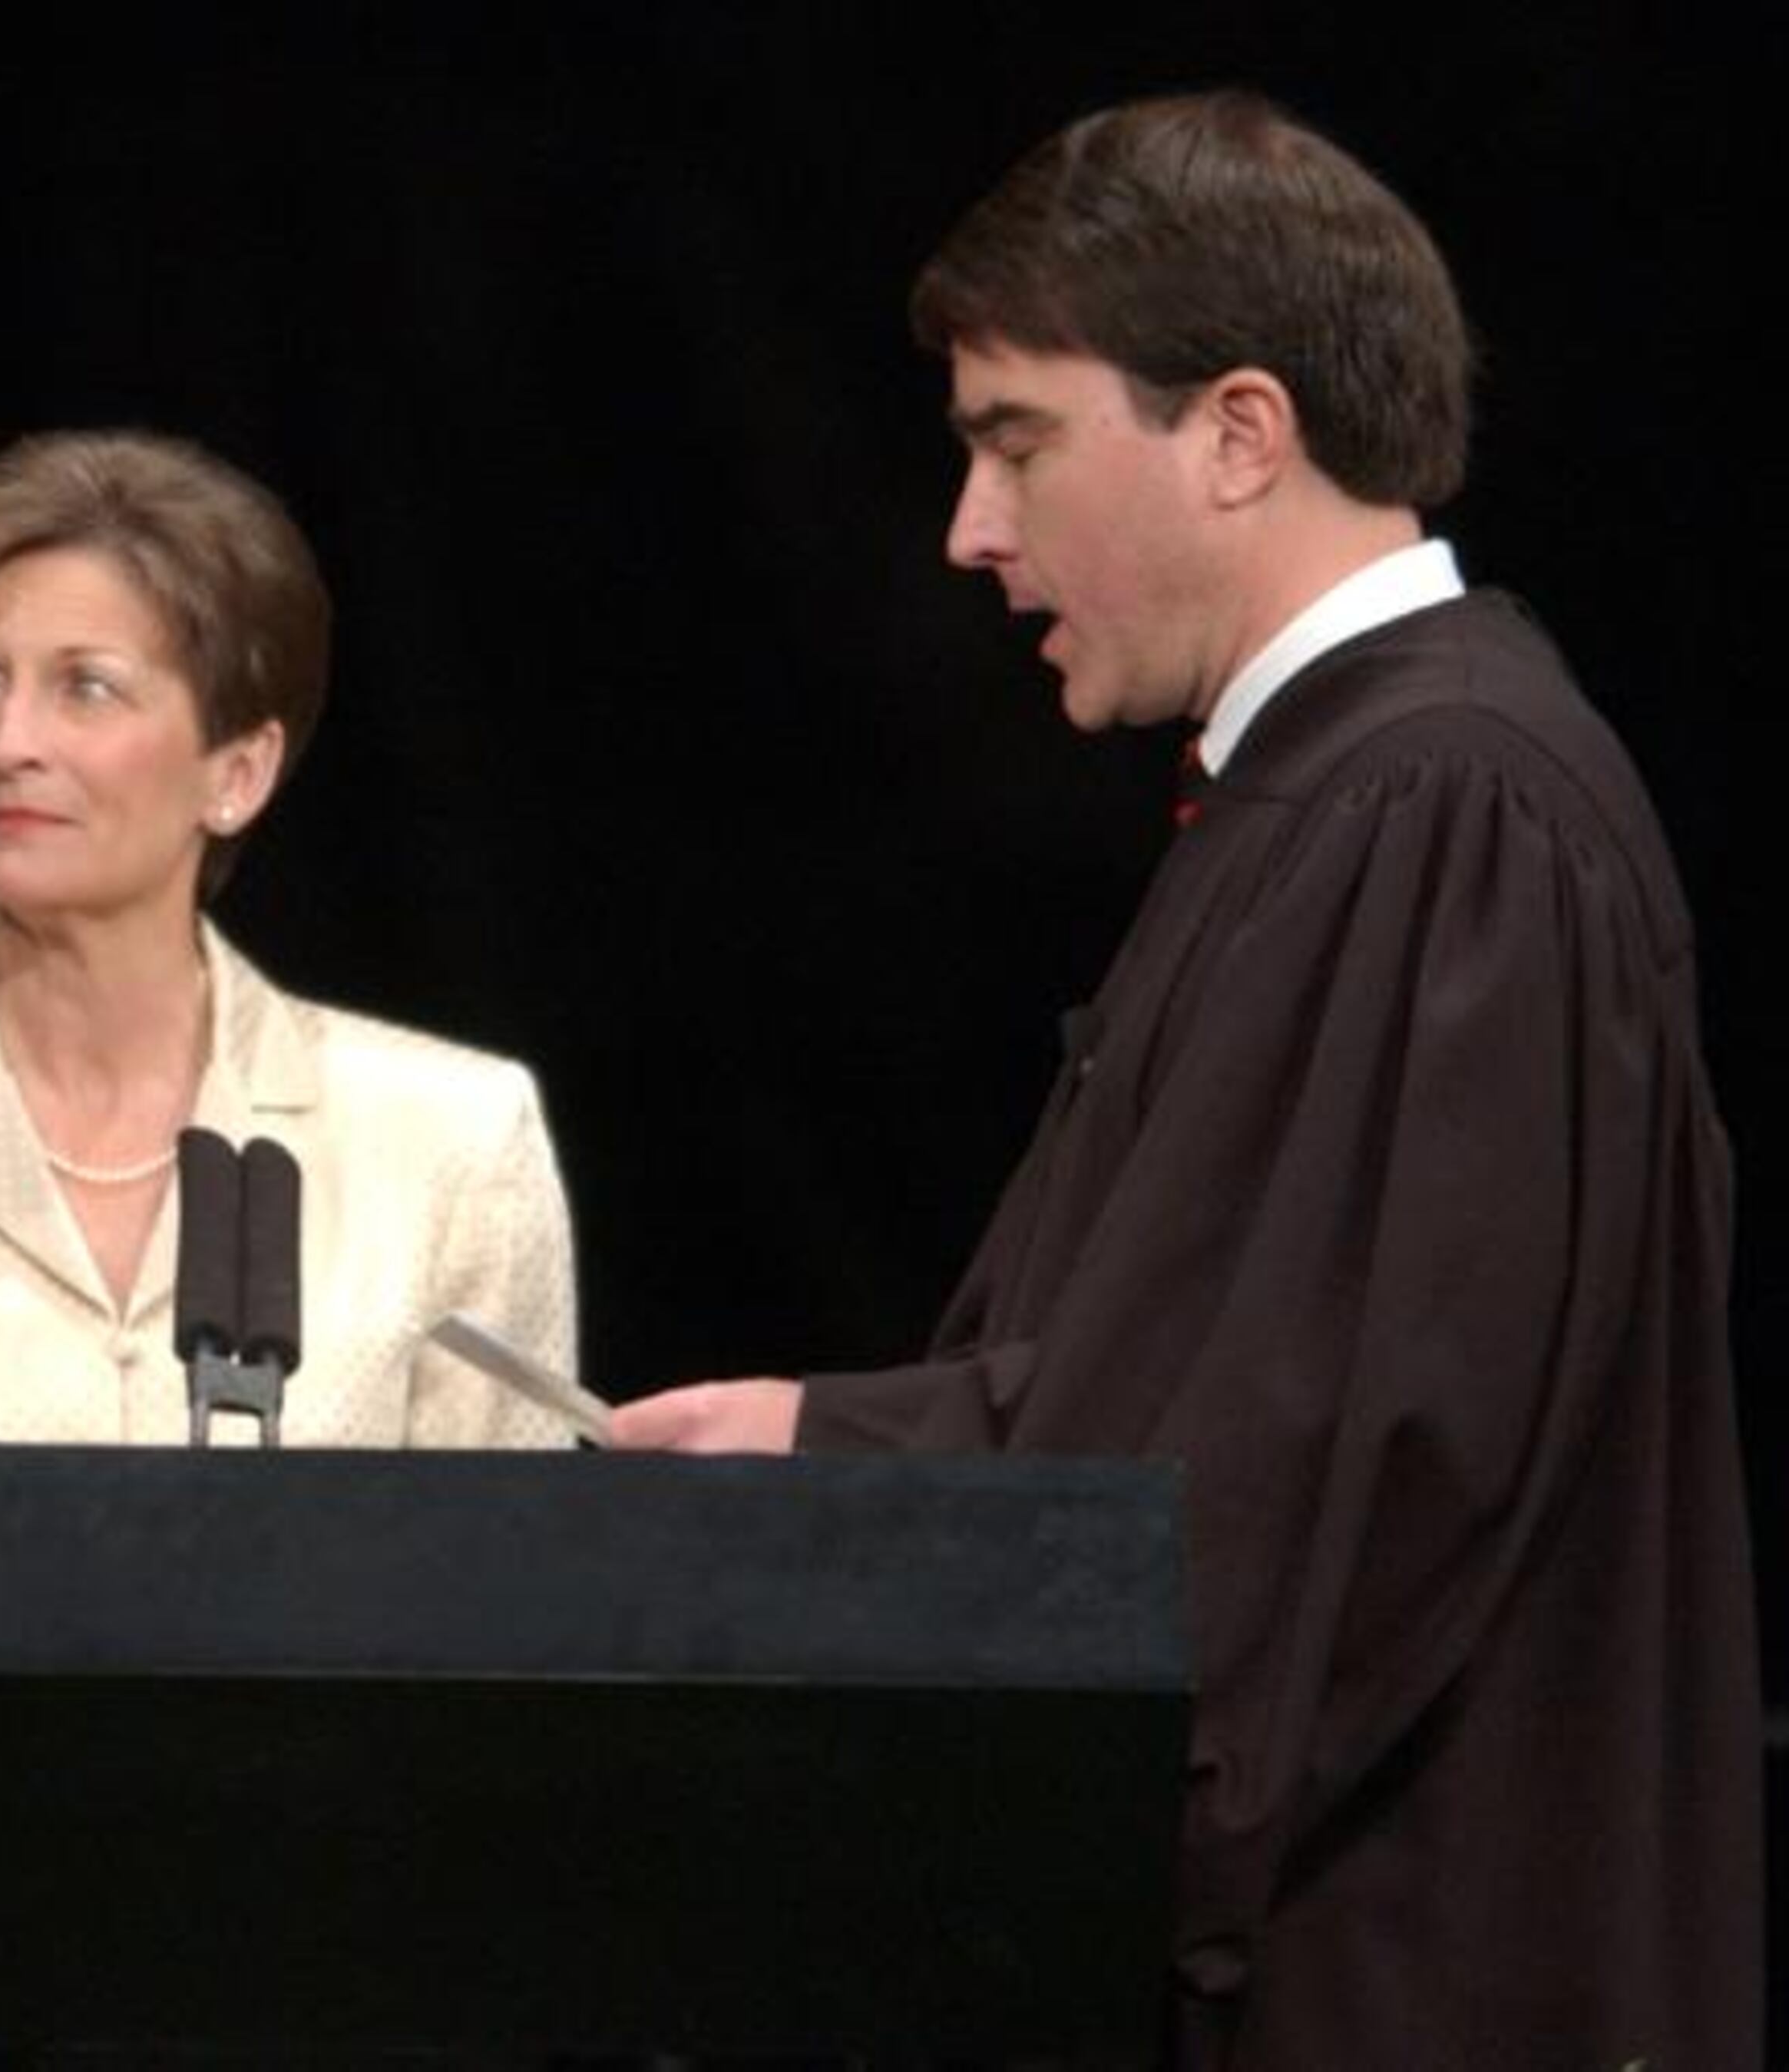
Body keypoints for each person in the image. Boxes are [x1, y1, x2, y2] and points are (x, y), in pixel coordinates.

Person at [611, 92, 1760, 2068]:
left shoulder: (1440, 806)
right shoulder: (1356, 791)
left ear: (1239, 432)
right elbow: (1215, 1388)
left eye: (1014, 441)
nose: (970, 529)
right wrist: (824, 1451)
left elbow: (1306, 1491)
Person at [0, 429, 575, 1452]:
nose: (9, 744)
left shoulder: (451, 1147)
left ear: (237, 774)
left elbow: (510, 1583)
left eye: (87, 687)